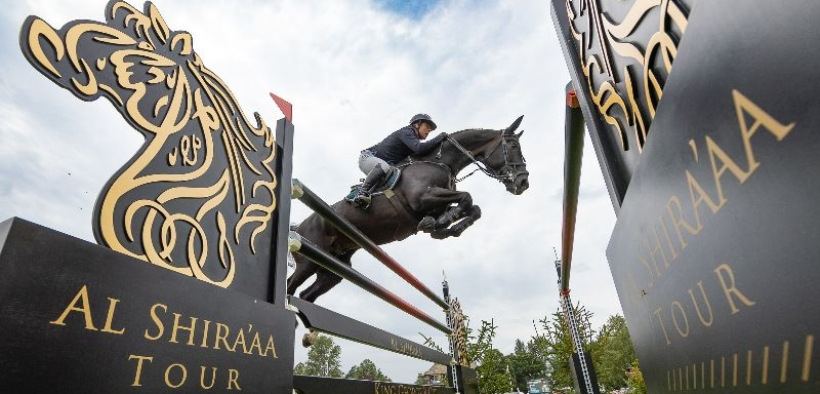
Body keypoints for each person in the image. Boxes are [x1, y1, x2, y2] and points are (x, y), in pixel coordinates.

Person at [348, 113, 447, 208]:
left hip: (383, 166)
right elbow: (420, 149)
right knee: (384, 166)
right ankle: (362, 192)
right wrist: (439, 138)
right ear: (417, 124)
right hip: (368, 157)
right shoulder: (407, 132)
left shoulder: (412, 141)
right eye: (427, 126)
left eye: (430, 129)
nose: (429, 130)